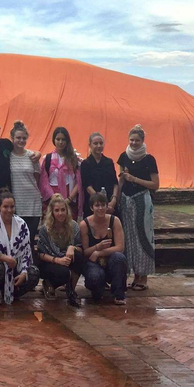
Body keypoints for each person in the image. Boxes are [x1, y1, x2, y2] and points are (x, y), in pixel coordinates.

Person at [0, 189, 40, 305]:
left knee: (33, 273)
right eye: (5, 207)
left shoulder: (21, 224)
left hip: (15, 265)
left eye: (12, 207)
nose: (9, 210)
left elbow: (26, 252)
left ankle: (11, 292)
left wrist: (24, 272)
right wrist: (6, 258)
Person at [116, 124, 159, 291]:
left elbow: (155, 184)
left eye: (137, 140)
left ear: (143, 141)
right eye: (131, 140)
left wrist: (134, 179)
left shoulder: (149, 159)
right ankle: (134, 274)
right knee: (129, 238)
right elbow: (121, 179)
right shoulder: (123, 157)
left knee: (144, 236)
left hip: (142, 198)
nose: (134, 143)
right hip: (126, 200)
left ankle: (144, 277)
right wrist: (117, 198)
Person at [79, 191, 128, 304]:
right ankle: (97, 289)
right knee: (96, 277)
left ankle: (119, 294)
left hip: (110, 260)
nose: (100, 208)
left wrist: (99, 252)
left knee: (119, 257)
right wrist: (97, 246)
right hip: (93, 263)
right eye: (97, 205)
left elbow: (120, 247)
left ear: (107, 206)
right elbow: (85, 252)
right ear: (92, 208)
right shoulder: (85, 224)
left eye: (103, 205)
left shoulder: (114, 221)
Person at [37, 193, 83, 307]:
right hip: (50, 261)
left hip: (67, 258)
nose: (60, 213)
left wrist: (72, 247)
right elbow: (40, 253)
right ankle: (49, 284)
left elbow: (81, 247)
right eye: (57, 210)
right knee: (63, 272)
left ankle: (71, 290)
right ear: (52, 212)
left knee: (80, 257)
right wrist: (58, 260)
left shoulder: (74, 226)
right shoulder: (45, 229)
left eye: (63, 210)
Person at [7, 120, 42, 254]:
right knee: (17, 239)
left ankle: (29, 269)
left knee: (30, 239)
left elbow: (37, 177)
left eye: (23, 138)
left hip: (33, 202)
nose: (21, 140)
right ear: (12, 138)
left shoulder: (32, 156)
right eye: (18, 138)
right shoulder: (8, 156)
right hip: (17, 203)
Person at [39, 126, 83, 219]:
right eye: (58, 139)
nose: (60, 142)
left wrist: (70, 198)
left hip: (70, 197)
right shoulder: (47, 158)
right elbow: (44, 181)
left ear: (67, 140)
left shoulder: (74, 159)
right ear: (53, 140)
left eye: (63, 139)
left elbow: (79, 182)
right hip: (52, 197)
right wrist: (53, 196)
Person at [80, 132, 116, 219]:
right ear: (90, 145)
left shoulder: (109, 162)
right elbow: (87, 185)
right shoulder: (85, 164)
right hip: (93, 203)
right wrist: (101, 203)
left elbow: (115, 183)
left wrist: (114, 200)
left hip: (110, 202)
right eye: (95, 143)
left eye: (101, 143)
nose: (99, 146)